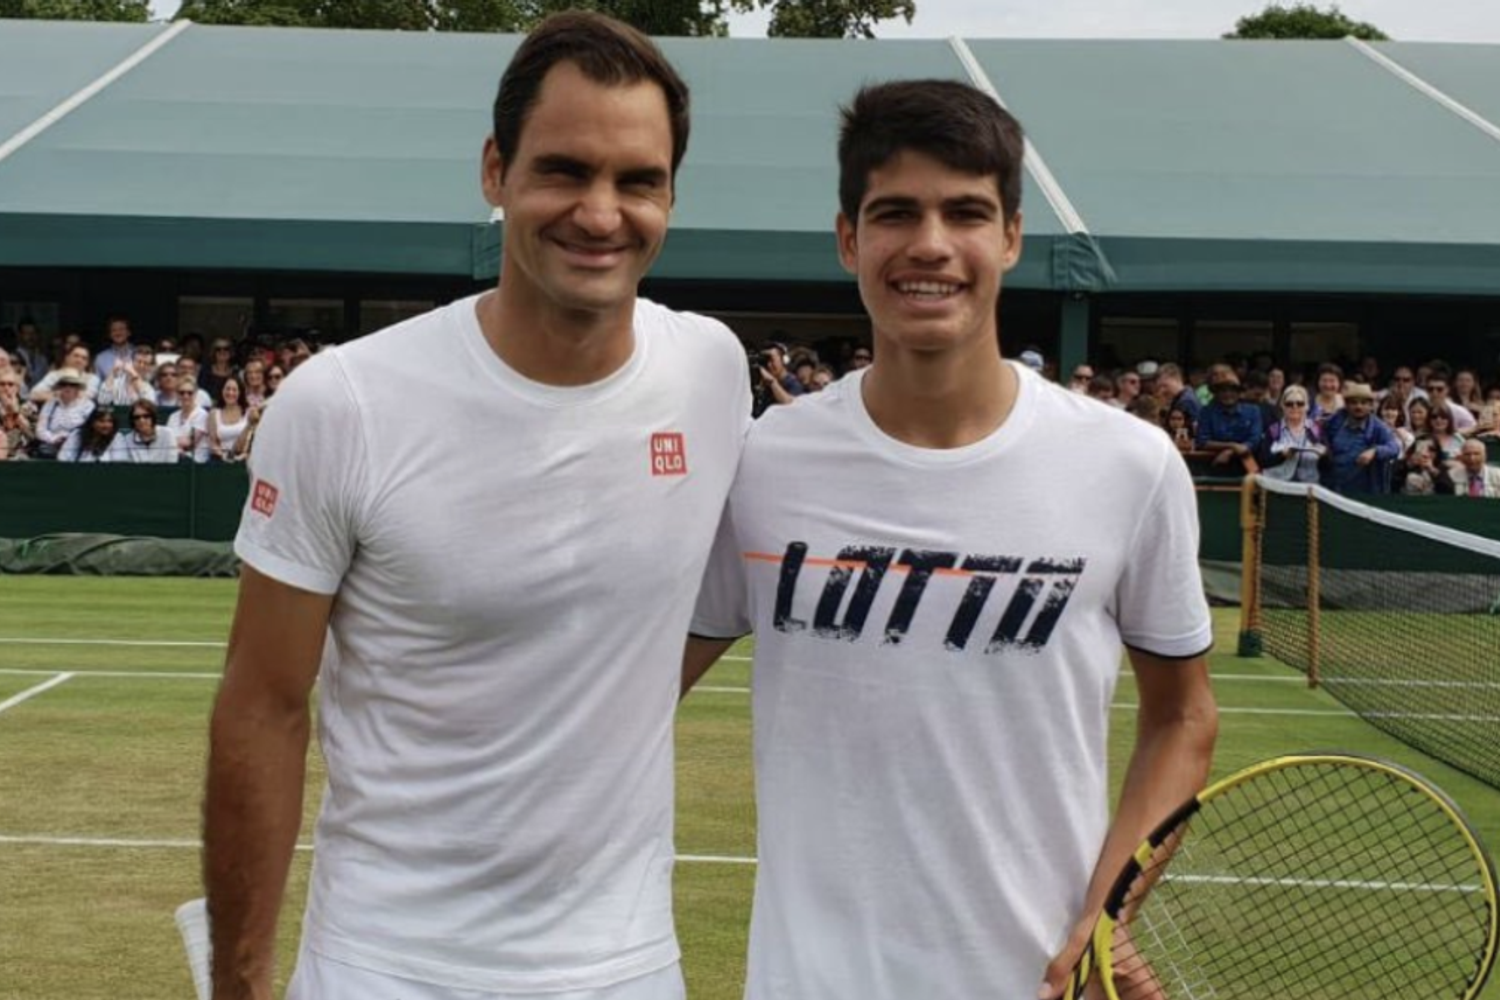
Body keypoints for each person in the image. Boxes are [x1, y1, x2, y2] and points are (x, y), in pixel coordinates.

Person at [204, 13, 749, 1000]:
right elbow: (263, 705)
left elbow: (709, 597)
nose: (600, 212)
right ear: (495, 171)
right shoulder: (344, 402)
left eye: (638, 181)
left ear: (672, 193)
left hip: (628, 968)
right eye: (564, 170)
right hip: (385, 964)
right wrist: (242, 983)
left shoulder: (712, 369)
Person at [683, 79, 1216, 1000]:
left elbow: (1182, 716)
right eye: (895, 213)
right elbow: (622, 693)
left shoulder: (1129, 465)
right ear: (849, 236)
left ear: (1010, 235)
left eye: (965, 212)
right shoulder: (762, 464)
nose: (930, 245)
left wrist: (1109, 910)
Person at [1322, 383, 1401, 495]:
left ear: (1371, 406)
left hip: (1365, 492)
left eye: (1364, 403)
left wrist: (1374, 451)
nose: (1358, 407)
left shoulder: (1377, 427)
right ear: (1347, 405)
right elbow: (1322, 435)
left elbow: (1394, 448)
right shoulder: (1336, 421)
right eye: (1354, 402)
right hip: (1334, 488)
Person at [1194, 370, 1262, 473]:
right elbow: (1202, 441)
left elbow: (1254, 440)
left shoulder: (1253, 411)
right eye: (1223, 391)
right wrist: (1232, 445)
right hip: (1213, 465)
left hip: (1247, 466)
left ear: (1239, 393)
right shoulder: (1207, 412)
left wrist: (1230, 452)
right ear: (1216, 393)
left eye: (1232, 390)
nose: (1228, 394)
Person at [1261, 385, 1324, 483]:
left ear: (1307, 406)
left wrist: (1323, 454)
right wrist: (1281, 455)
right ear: (1282, 406)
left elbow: (1328, 462)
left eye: (1300, 403)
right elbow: (1263, 461)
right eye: (1289, 404)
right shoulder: (1274, 429)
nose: (1295, 407)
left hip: (1308, 487)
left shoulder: (1316, 429)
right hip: (1277, 485)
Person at [108, 400, 179, 463]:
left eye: (146, 416)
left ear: (153, 417)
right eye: (137, 417)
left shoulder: (167, 434)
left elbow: (172, 462)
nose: (141, 420)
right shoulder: (127, 439)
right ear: (132, 420)